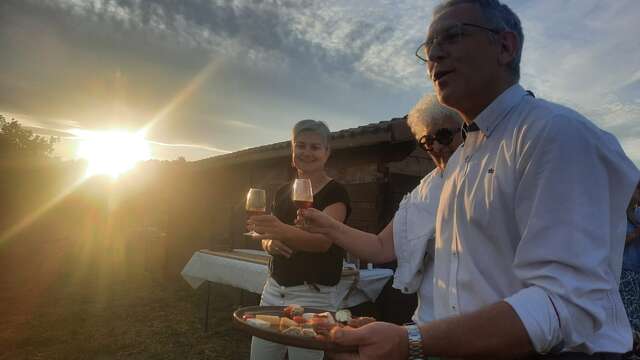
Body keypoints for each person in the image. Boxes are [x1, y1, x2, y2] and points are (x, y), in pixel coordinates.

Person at [322, 1, 640, 359]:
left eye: (452, 36)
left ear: (505, 47)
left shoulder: (555, 134)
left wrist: (410, 342)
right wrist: (408, 334)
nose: (436, 54)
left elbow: (564, 303)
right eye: (429, 47)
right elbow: (465, 294)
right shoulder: (460, 164)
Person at [300, 94, 463, 325]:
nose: (436, 146)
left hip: (487, 331)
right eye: (427, 141)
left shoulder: (495, 176)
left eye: (445, 136)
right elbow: (380, 247)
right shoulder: (427, 190)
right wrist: (328, 226)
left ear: (469, 129)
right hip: (431, 325)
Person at [247, 119, 351, 360]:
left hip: (313, 295)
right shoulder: (283, 191)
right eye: (300, 145)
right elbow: (266, 236)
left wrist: (279, 231)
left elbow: (323, 242)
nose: (307, 152)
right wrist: (270, 243)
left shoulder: (335, 193)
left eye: (315, 147)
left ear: (327, 153)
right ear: (292, 151)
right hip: (273, 290)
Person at [622, 182, 640, 344]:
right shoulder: (619, 215)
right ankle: (629, 345)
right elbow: (614, 243)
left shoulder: (637, 214)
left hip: (636, 272)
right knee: (628, 313)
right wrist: (635, 234)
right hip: (624, 272)